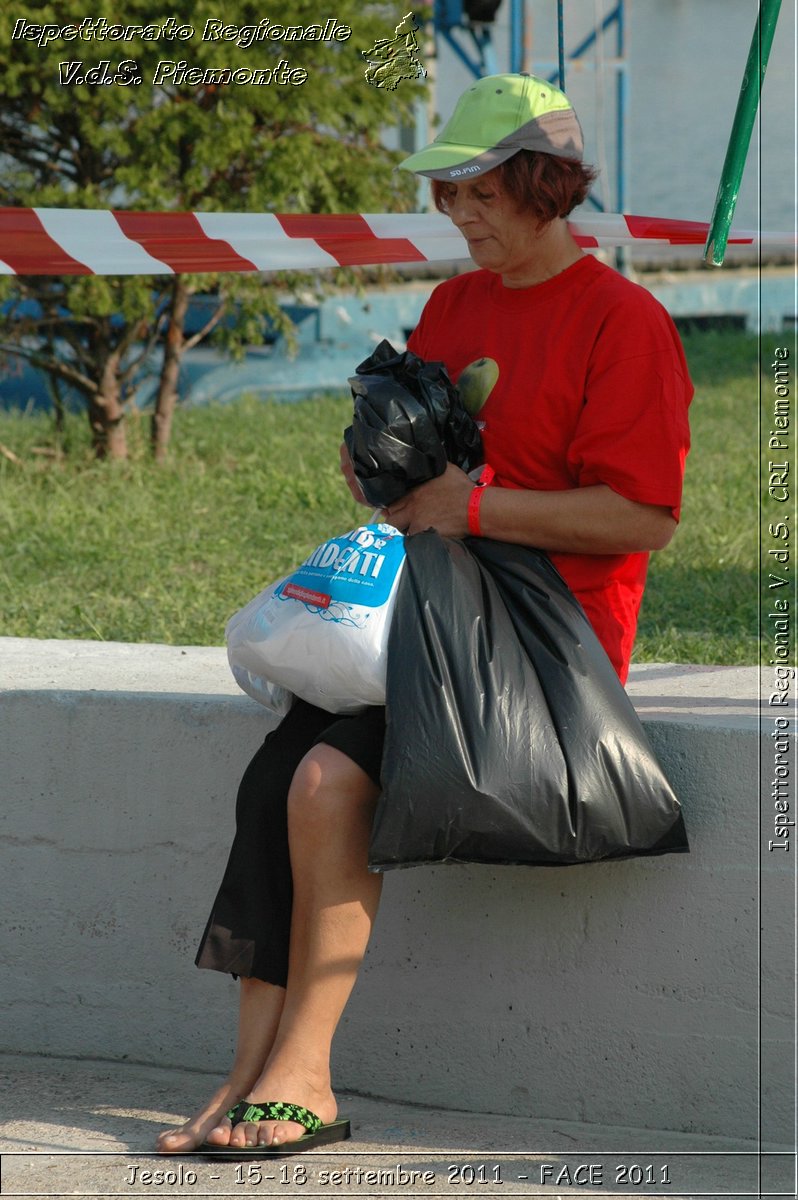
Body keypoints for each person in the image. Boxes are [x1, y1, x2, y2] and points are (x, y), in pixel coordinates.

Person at [156, 72, 692, 1156]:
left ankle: (302, 1072)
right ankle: (250, 1071)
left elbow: (643, 516)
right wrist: (381, 468)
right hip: (436, 612)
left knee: (324, 775)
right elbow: (436, 459)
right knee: (275, 777)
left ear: (542, 183)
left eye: (479, 189)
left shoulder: (623, 320)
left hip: (549, 646)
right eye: (447, 194)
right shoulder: (452, 306)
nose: (458, 214)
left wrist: (477, 505)